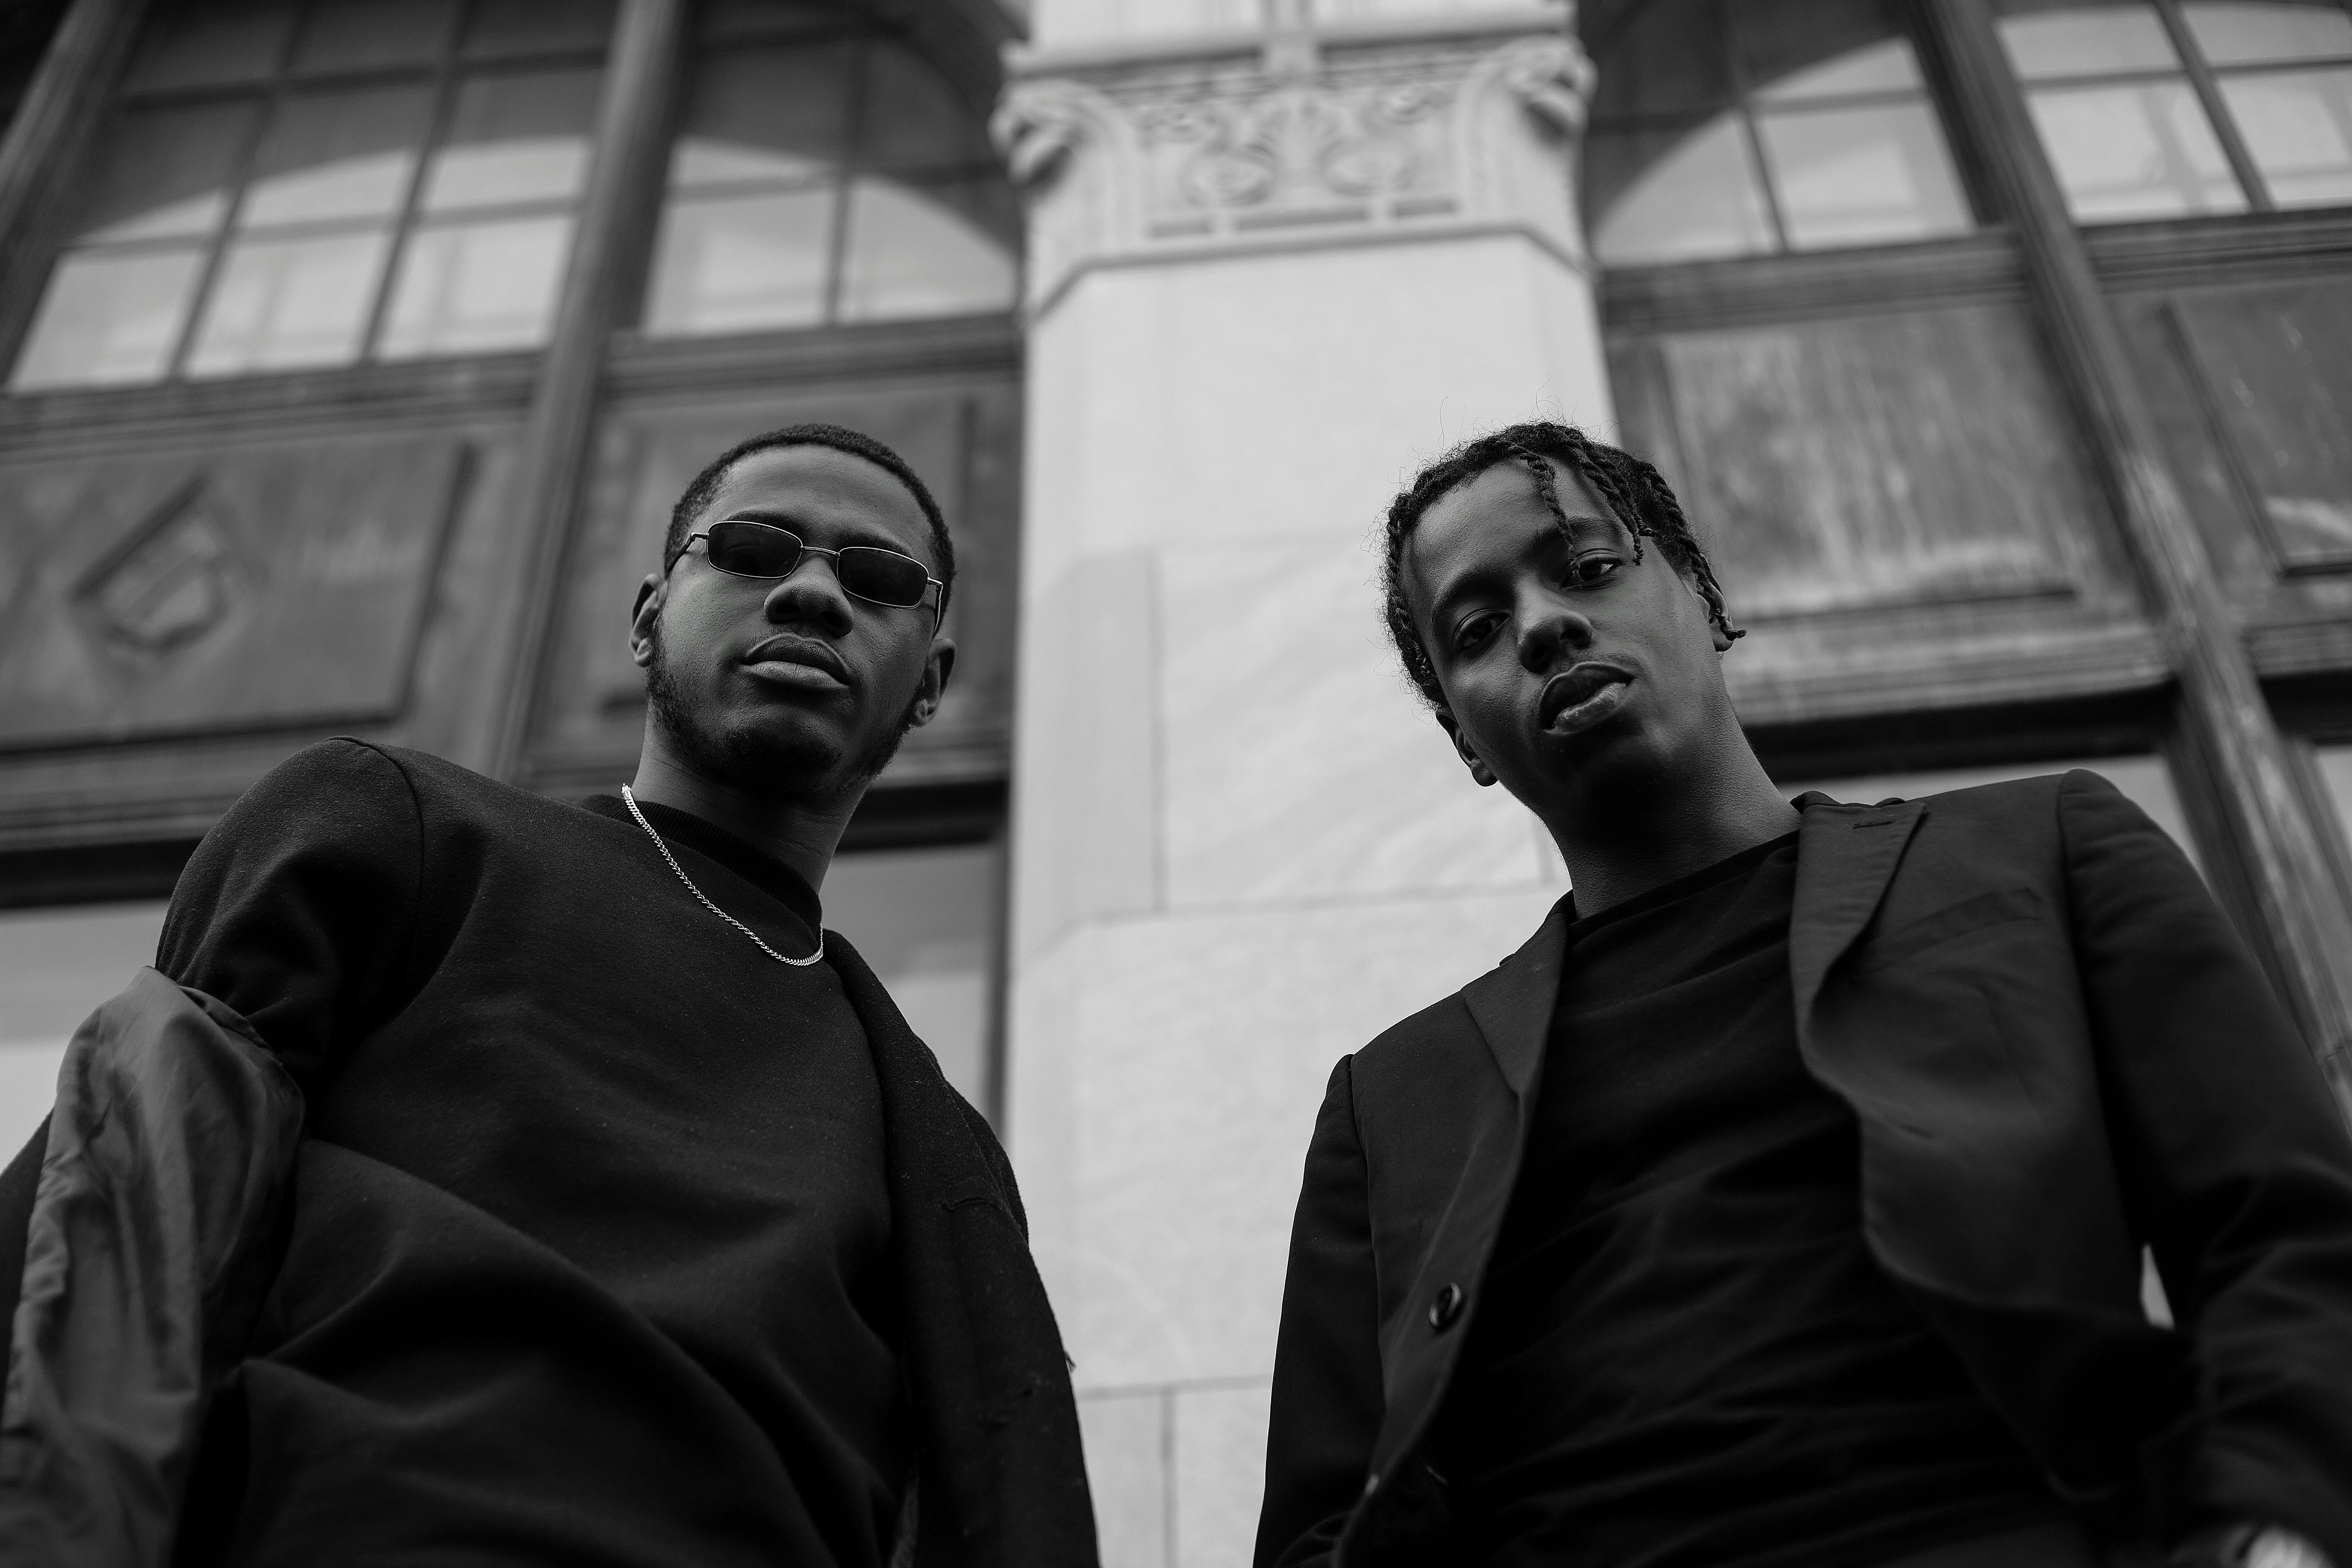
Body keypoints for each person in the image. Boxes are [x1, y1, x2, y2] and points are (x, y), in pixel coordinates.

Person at [1253, 420, 2352, 1568]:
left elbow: (2285, 1238)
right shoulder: (1389, 1106)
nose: (1543, 625)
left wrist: (2277, 1532)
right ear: (1464, 738)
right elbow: (1319, 1530)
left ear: (1703, 597)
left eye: (1586, 568)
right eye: (1477, 630)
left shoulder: (2045, 856)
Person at [0, 424, 1096, 1567]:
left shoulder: (939, 1152)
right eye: (755, 549)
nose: (815, 592)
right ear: (644, 618)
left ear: (928, 685)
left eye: (878, 580)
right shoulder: (395, 838)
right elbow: (115, 1223)